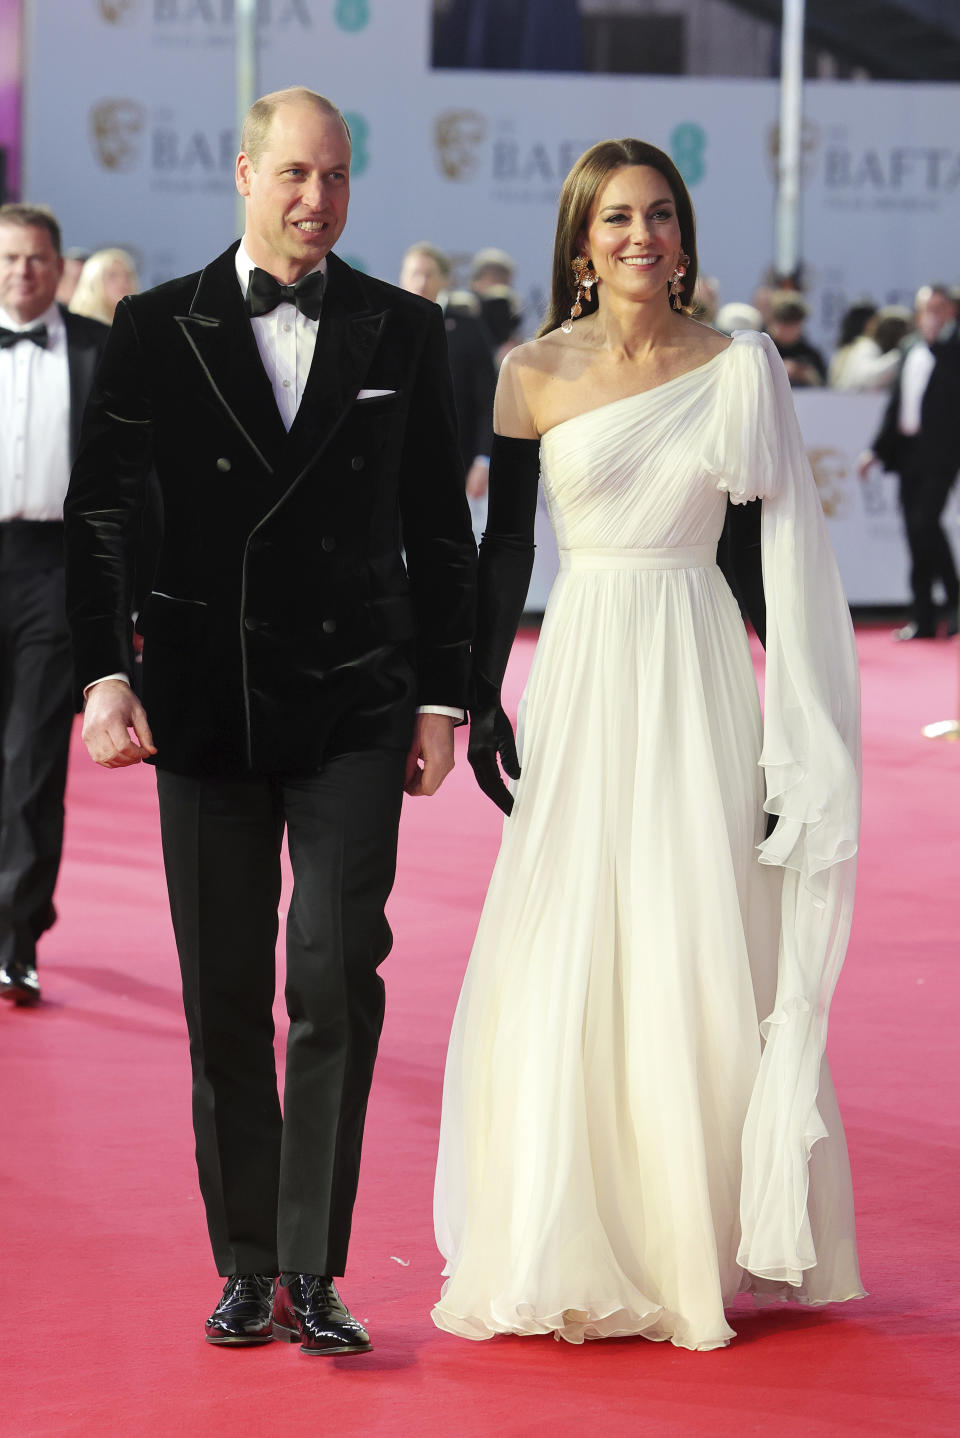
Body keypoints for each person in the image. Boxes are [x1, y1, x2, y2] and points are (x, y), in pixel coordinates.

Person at [432, 139, 864, 1351]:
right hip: (583, 663)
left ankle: (694, 1236)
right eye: (618, 217)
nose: (642, 236)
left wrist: (804, 724)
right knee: (572, 933)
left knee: (696, 927)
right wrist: (480, 688)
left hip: (697, 666)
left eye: (662, 215)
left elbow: (756, 560)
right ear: (582, 240)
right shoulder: (530, 371)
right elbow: (506, 550)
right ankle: (573, 1224)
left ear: (684, 234)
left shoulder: (738, 370)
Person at [64, 87, 476, 1355]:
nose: (317, 200)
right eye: (295, 173)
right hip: (200, 701)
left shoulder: (404, 329)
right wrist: (103, 676)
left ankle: (315, 1265)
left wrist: (444, 693)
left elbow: (437, 530)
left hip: (358, 698)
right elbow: (100, 519)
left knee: (338, 982)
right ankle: (247, 1261)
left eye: (338, 177)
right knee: (226, 995)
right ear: (244, 171)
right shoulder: (151, 325)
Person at [0, 204, 109, 1006]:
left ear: (60, 266)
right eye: (8, 259)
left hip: (55, 574)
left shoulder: (101, 350)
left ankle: (16, 939)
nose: (21, 273)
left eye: (36, 259)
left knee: (33, 763)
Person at [857, 284, 960, 640]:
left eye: (940, 307)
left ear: (951, 311)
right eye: (926, 307)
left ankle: (951, 600)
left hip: (944, 454)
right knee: (917, 532)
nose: (933, 313)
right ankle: (926, 617)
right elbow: (896, 407)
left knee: (924, 523)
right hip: (908, 454)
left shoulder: (955, 349)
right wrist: (875, 450)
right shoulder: (910, 348)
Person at [399, 241, 496, 504]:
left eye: (428, 274)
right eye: (413, 274)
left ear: (444, 280)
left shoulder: (468, 329)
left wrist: (483, 460)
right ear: (402, 278)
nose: (420, 282)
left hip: (454, 467)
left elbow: (488, 402)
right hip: (393, 471)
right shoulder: (385, 328)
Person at [766, 290, 826, 387]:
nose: (789, 327)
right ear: (772, 320)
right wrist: (776, 370)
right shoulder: (762, 350)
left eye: (794, 321)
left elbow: (825, 389)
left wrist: (805, 375)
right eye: (784, 320)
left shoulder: (811, 355)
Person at [69, 246, 139, 325]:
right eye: (113, 275)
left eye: (127, 275)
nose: (123, 281)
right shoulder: (79, 327)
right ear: (93, 283)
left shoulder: (142, 324)